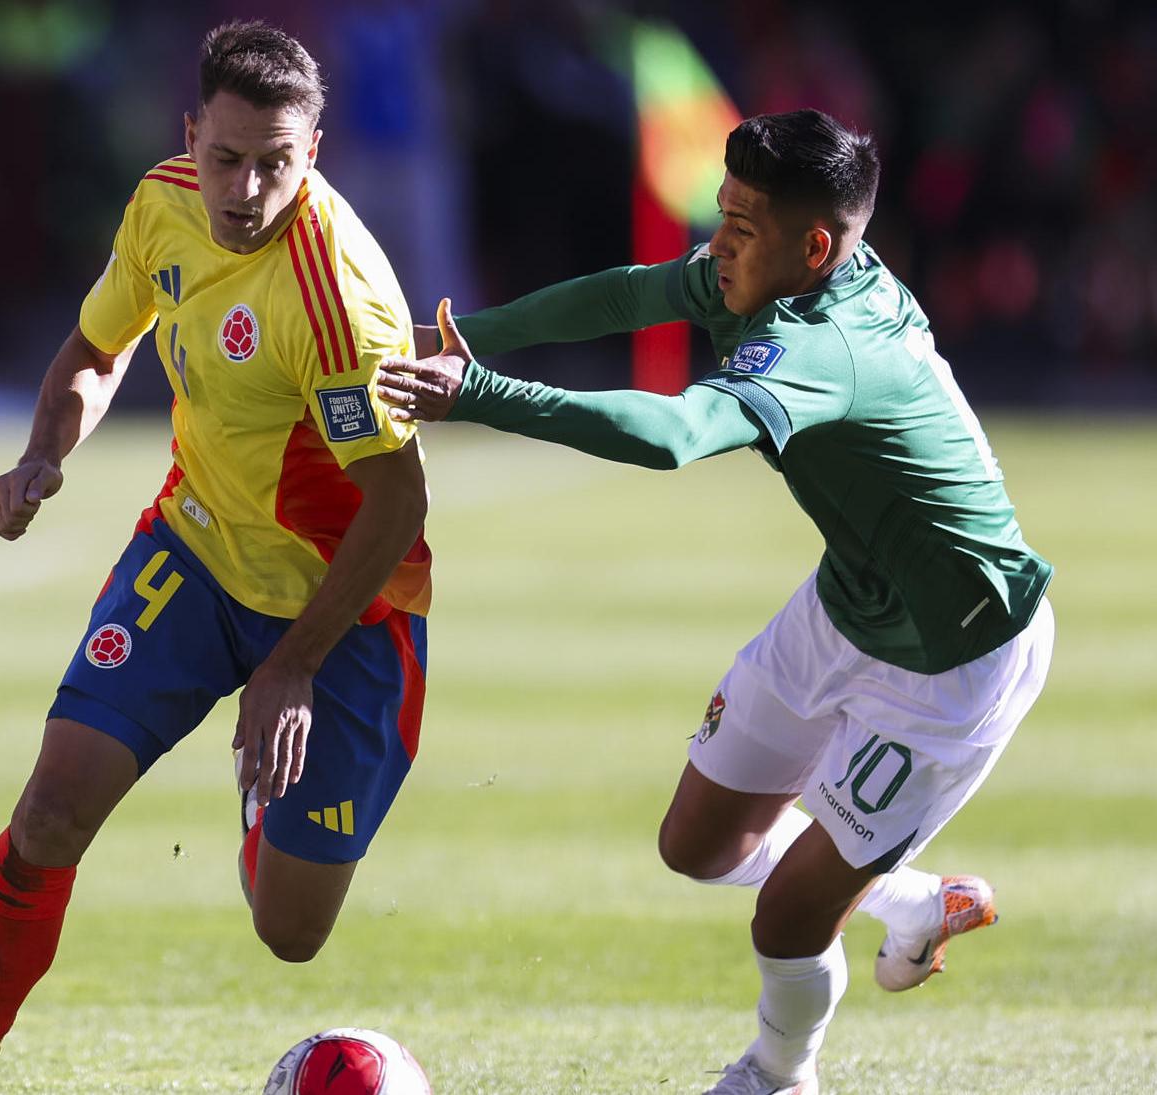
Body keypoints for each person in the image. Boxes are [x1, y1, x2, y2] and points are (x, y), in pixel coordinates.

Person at [377, 109, 1054, 1095]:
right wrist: (446, 340)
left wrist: (477, 393)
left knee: (783, 918)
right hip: (852, 603)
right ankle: (910, 902)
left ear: (815, 245)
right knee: (696, 844)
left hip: (958, 658)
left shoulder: (830, 343)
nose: (717, 240)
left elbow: (676, 433)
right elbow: (624, 295)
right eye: (723, 211)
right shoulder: (777, 270)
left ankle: (779, 1075)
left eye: (742, 222)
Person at [0, 22, 432, 1095]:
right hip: (192, 551)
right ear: (192, 134)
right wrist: (41, 455)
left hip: (345, 610)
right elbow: (100, 348)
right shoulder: (163, 202)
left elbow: (395, 506)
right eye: (227, 157)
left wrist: (289, 664)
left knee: (290, 934)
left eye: (276, 163)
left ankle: (261, 801)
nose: (245, 189)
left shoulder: (342, 302)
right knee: (50, 811)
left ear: (314, 153)